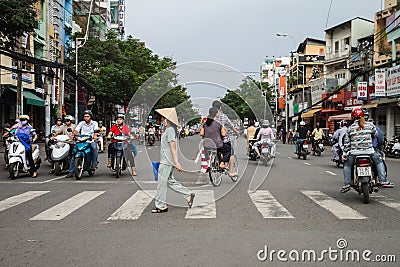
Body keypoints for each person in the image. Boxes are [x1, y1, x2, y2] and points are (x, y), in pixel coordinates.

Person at [152, 107, 195, 213]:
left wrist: (176, 163)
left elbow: (173, 147)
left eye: (163, 118)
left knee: (161, 183)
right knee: (170, 181)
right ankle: (188, 195)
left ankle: (161, 205)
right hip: (167, 160)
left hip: (167, 161)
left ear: (168, 119)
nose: (162, 120)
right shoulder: (169, 130)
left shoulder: (170, 130)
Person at [340, 108, 387, 193]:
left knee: (347, 165)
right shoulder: (370, 125)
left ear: (352, 117)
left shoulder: (350, 128)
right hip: (369, 151)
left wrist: (344, 153)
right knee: (379, 162)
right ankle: (382, 180)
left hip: (354, 152)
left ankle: (347, 184)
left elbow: (347, 143)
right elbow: (376, 135)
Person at [66, 110, 99, 178]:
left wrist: (95, 136)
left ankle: (94, 163)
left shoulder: (94, 123)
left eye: (87, 116)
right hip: (81, 140)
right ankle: (71, 172)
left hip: (90, 140)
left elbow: (96, 131)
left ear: (90, 117)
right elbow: (76, 130)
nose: (86, 118)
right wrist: (74, 134)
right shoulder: (81, 123)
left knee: (94, 147)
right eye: (85, 116)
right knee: (74, 152)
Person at [212, 100, 239, 176]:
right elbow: (231, 125)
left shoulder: (209, 116)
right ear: (220, 108)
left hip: (211, 141)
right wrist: (236, 132)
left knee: (218, 150)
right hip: (222, 140)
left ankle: (219, 163)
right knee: (231, 153)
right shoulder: (223, 116)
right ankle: (230, 172)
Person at [201, 107, 231, 171]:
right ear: (216, 114)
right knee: (228, 150)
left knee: (216, 150)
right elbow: (223, 134)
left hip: (207, 145)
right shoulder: (218, 124)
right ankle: (222, 163)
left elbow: (201, 133)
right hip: (217, 145)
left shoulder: (205, 123)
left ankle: (211, 162)